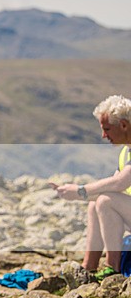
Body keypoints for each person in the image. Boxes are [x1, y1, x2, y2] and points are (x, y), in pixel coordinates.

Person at [53, 94, 131, 283]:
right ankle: (89, 267)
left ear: (123, 125)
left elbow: (121, 183)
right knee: (97, 202)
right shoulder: (126, 151)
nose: (104, 135)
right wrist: (75, 193)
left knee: (105, 201)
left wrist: (80, 190)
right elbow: (112, 183)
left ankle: (113, 269)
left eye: (107, 129)